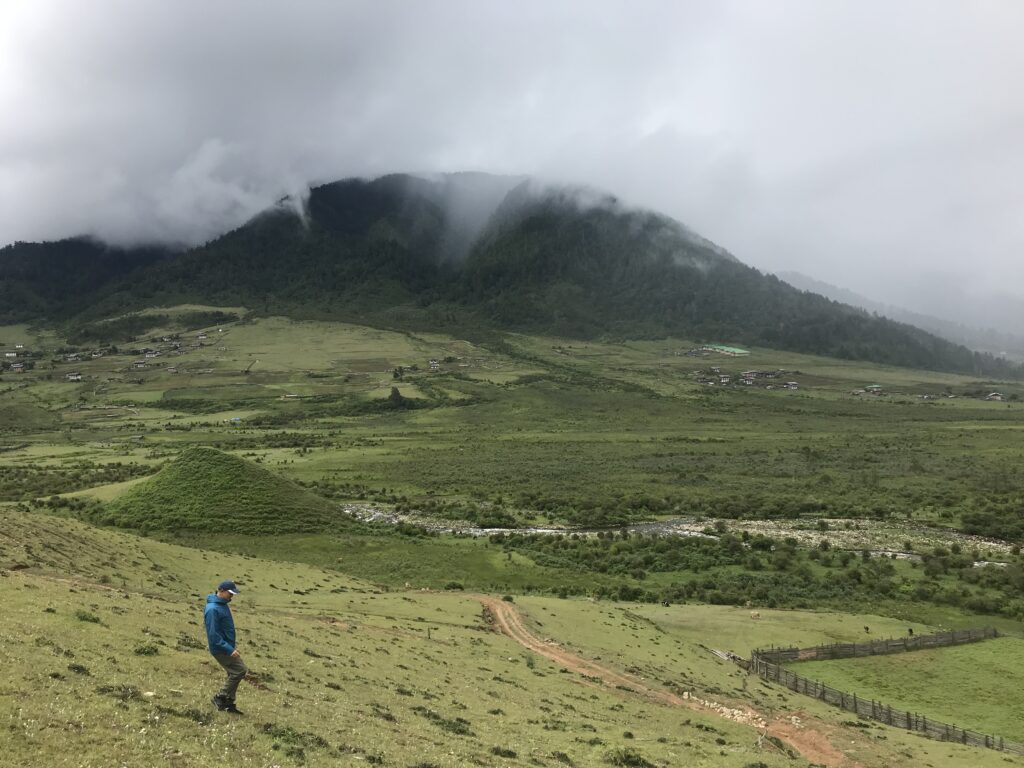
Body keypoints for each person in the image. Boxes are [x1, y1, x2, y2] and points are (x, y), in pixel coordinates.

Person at [205, 579, 247, 714]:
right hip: (220, 648)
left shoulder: (222, 604)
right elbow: (213, 635)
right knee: (240, 670)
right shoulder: (213, 609)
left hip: (226, 646)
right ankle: (221, 697)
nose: (232, 596)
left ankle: (229, 703)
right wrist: (229, 649)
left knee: (233, 673)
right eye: (230, 593)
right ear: (221, 591)